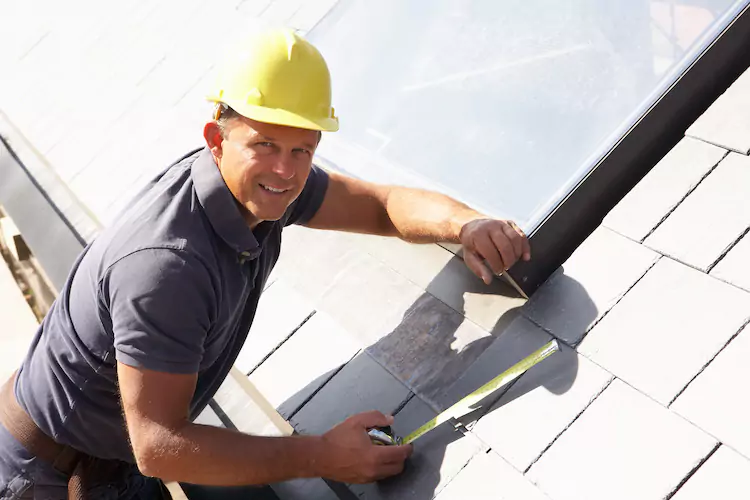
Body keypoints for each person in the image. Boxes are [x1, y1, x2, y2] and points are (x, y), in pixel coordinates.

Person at [0, 28, 530, 499]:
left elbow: (379, 205)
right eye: (266, 143)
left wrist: (466, 224)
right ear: (216, 140)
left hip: (104, 459)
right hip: (41, 478)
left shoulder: (262, 187)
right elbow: (159, 446)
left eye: (304, 149)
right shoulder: (169, 266)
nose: (285, 169)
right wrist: (322, 455)